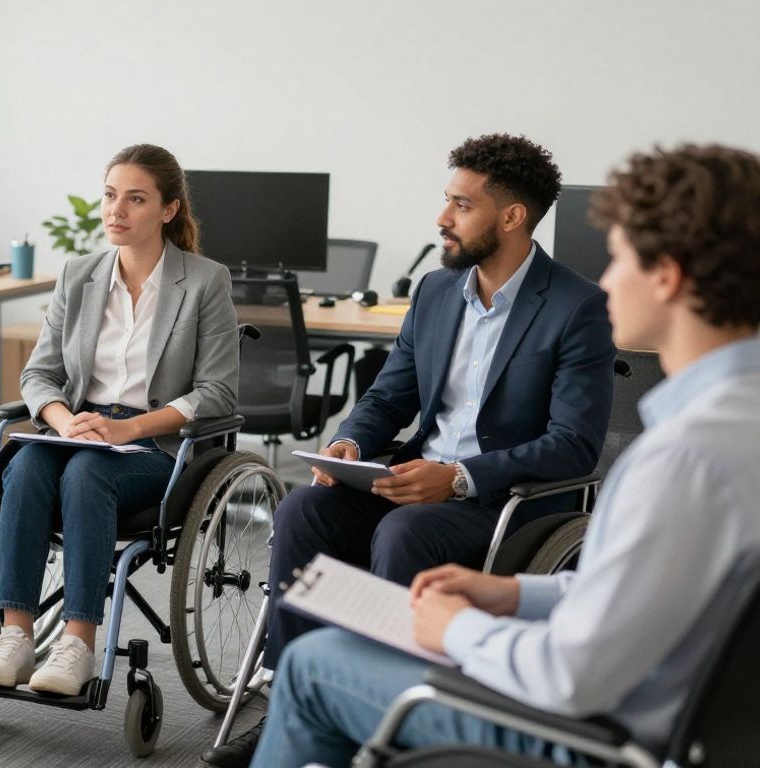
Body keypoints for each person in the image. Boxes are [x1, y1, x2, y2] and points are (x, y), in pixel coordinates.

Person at [249, 143, 760, 767]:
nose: (605, 279)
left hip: (598, 727)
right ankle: (314, 705)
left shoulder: (680, 458)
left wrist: (456, 625)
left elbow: (572, 672)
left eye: (619, 258)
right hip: (669, 717)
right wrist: (516, 596)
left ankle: (369, 710)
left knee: (318, 663)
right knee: (306, 509)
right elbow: (635, 596)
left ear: (668, 276)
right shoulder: (731, 431)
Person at [205, 133, 617, 768]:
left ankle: (385, 721)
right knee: (301, 513)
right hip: (408, 478)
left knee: (404, 534)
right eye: (446, 200)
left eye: (460, 205)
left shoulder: (575, 306)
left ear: (511, 217)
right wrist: (351, 441)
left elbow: (574, 444)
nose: (441, 218)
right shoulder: (434, 292)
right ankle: (294, 702)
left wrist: (457, 478)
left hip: (503, 499)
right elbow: (387, 397)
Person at [0, 144, 239, 696]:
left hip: (157, 442)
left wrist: (129, 429)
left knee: (87, 474)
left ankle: (78, 643)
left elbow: (218, 390)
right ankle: (15, 635)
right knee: (25, 465)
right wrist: (65, 421)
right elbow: (38, 375)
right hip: (80, 429)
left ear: (168, 210)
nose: (116, 210)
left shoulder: (204, 281)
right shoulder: (79, 275)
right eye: (110, 196)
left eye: (135, 199)